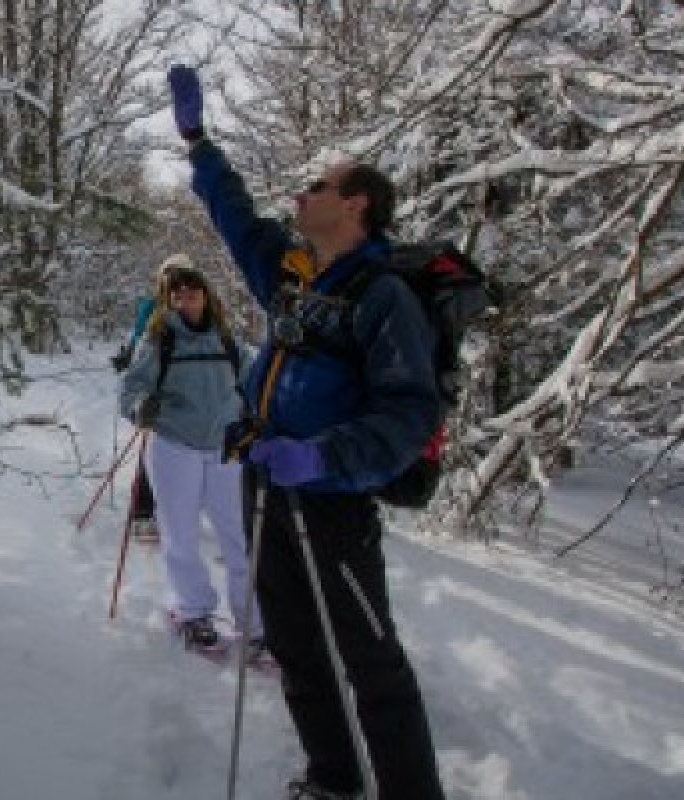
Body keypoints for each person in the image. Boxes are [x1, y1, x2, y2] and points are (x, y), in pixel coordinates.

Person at [168, 65, 446, 800]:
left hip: (330, 502)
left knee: (371, 659)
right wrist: (198, 143)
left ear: (356, 205)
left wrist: (320, 455)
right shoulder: (297, 279)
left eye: (319, 185)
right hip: (267, 488)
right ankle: (335, 779)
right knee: (296, 648)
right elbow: (236, 219)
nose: (303, 191)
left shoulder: (383, 296)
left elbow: (410, 411)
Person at [119, 256, 266, 656]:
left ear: (206, 293)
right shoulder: (159, 340)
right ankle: (193, 611)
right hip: (174, 445)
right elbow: (131, 388)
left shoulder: (228, 342)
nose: (185, 296)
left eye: (192, 288)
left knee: (238, 536)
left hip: (225, 448)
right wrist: (140, 406)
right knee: (181, 533)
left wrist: (261, 415)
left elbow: (256, 385)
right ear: (168, 299)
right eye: (177, 291)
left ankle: (254, 624)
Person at [113, 255, 195, 542]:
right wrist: (129, 356)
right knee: (152, 453)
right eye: (170, 274)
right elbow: (139, 342)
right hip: (157, 391)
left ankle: (179, 513)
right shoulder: (152, 307)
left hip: (190, 392)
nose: (175, 280)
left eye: (181, 274)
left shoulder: (197, 306)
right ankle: (143, 514)